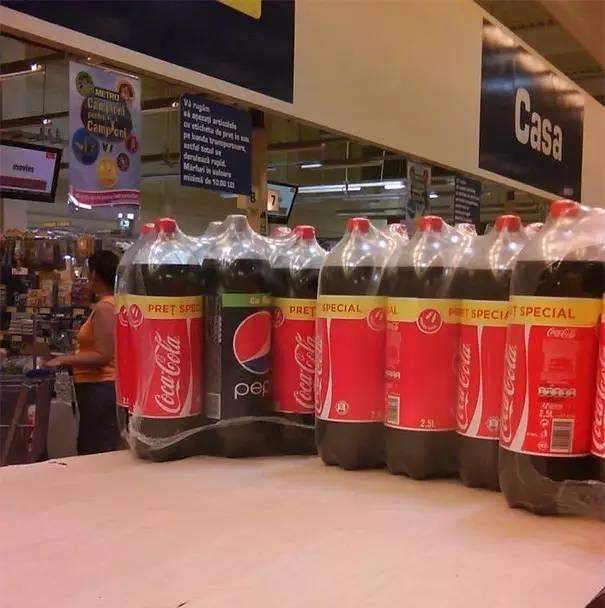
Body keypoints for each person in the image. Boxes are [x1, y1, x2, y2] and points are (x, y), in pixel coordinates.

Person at [46, 250, 120, 455]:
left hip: (100, 387)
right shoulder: (113, 303)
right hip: (98, 388)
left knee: (96, 447)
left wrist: (64, 360)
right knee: (96, 443)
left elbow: (104, 355)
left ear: (94, 274)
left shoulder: (105, 307)